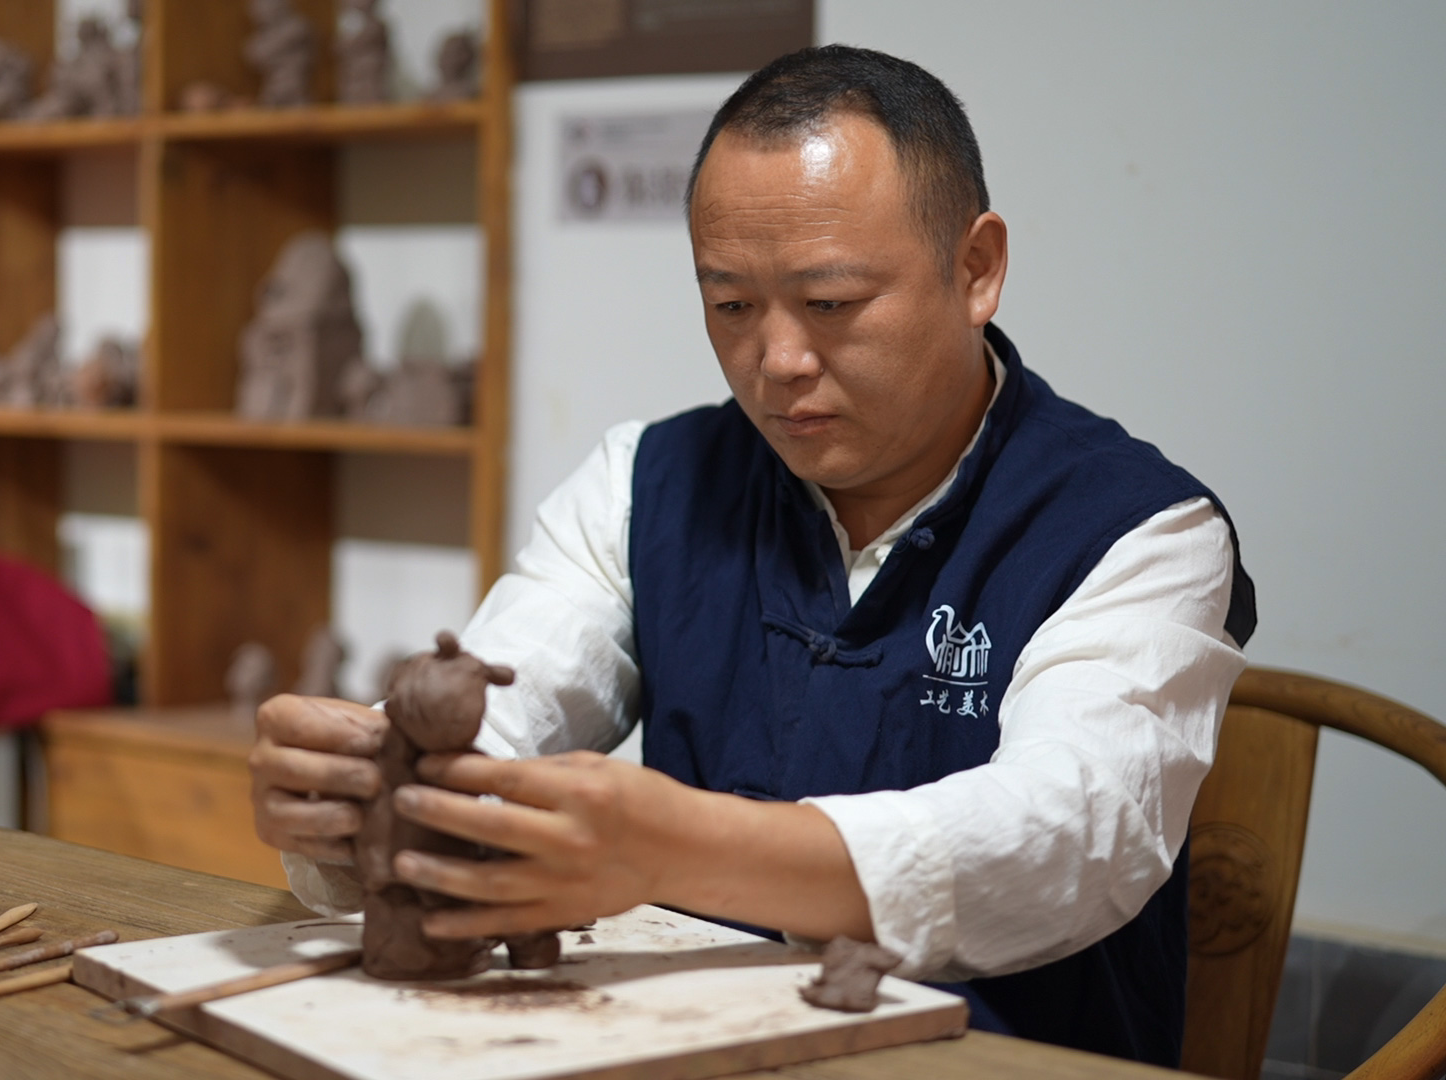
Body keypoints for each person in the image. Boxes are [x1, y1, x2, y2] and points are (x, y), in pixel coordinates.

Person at [248, 44, 1255, 1065]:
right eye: (731, 305)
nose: (777, 362)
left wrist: (673, 844)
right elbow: (507, 713)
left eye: (831, 304)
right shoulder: (647, 481)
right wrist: (362, 793)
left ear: (976, 268)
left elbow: (1066, 838)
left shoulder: (1138, 528)